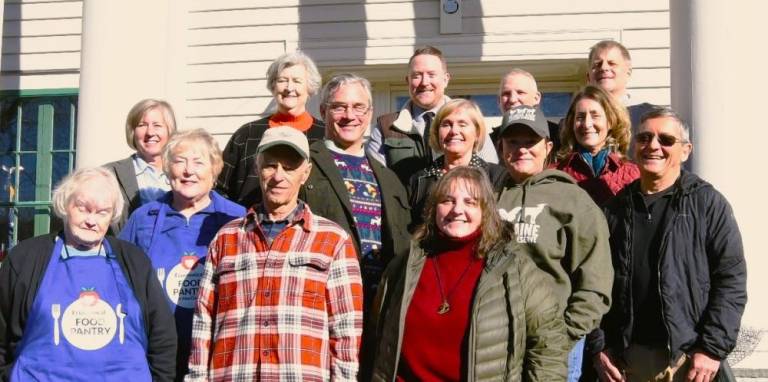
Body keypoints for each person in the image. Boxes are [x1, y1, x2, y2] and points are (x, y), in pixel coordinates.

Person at [187, 126, 363, 381]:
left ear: (306, 173)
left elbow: (346, 328)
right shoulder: (226, 238)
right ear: (257, 169)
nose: (278, 176)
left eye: (290, 167)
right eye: (270, 165)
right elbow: (203, 322)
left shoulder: (333, 240)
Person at [588, 108, 747, 381]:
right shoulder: (614, 210)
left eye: (666, 140)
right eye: (645, 137)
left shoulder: (707, 204)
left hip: (688, 360)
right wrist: (599, 346)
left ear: (685, 151)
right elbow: (592, 284)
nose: (653, 146)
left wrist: (712, 349)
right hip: (627, 363)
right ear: (634, 146)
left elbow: (730, 280)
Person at [371, 166, 568, 381]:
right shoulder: (405, 265)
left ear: (486, 210)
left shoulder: (516, 269)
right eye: (447, 200)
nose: (457, 210)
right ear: (433, 209)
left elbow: (548, 350)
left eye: (470, 202)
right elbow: (377, 337)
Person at [0, 167, 176, 381]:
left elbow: (162, 338)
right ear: (65, 205)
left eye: (102, 212)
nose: (91, 220)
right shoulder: (25, 258)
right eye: (83, 209)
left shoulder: (135, 261)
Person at [495, 105, 613, 381]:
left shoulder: (574, 201)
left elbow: (596, 281)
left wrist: (565, 335)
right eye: (513, 142)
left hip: (554, 347)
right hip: (496, 343)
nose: (522, 149)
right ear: (501, 147)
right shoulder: (490, 199)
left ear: (548, 147)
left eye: (530, 142)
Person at [118, 128, 245, 380]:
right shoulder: (144, 218)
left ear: (214, 170)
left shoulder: (236, 218)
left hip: (217, 351)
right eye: (179, 161)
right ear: (167, 168)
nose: (188, 171)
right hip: (157, 353)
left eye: (199, 162)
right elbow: (120, 281)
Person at [300, 73, 410, 312]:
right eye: (339, 107)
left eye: (358, 107)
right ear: (322, 111)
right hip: (321, 302)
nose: (350, 116)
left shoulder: (390, 179)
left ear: (369, 114)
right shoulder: (303, 167)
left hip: (379, 308)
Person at [366, 45, 498, 185]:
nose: (424, 82)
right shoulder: (386, 127)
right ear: (407, 81)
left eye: (431, 74)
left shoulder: (470, 121)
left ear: (446, 79)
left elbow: (489, 174)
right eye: (417, 75)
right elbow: (374, 181)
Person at [217, 50, 325, 207]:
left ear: (309, 88)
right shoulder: (246, 135)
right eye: (282, 80)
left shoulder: (324, 136)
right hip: (250, 226)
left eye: (297, 81)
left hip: (310, 227)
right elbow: (221, 189)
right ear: (273, 86)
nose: (289, 87)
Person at [408, 98, 507, 228]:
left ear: (477, 133)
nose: (454, 131)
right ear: (437, 133)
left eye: (462, 124)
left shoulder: (496, 176)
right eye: (446, 124)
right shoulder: (419, 180)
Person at [555, 85, 639, 206]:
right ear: (572, 123)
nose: (587, 124)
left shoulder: (633, 174)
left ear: (611, 121)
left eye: (595, 116)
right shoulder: (555, 174)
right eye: (580, 117)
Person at [104, 98, 177, 234]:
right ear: (132, 132)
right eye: (142, 125)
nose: (150, 132)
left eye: (157, 125)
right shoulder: (109, 174)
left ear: (169, 131)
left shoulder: (183, 174)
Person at [586, 40, 655, 139]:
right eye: (597, 64)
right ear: (588, 77)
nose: (604, 68)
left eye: (612, 63)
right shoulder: (575, 120)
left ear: (628, 72)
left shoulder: (650, 116)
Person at [490, 68, 562, 157]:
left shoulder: (560, 137)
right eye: (506, 94)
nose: (512, 99)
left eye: (520, 92)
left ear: (536, 98)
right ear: (498, 101)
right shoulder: (489, 143)